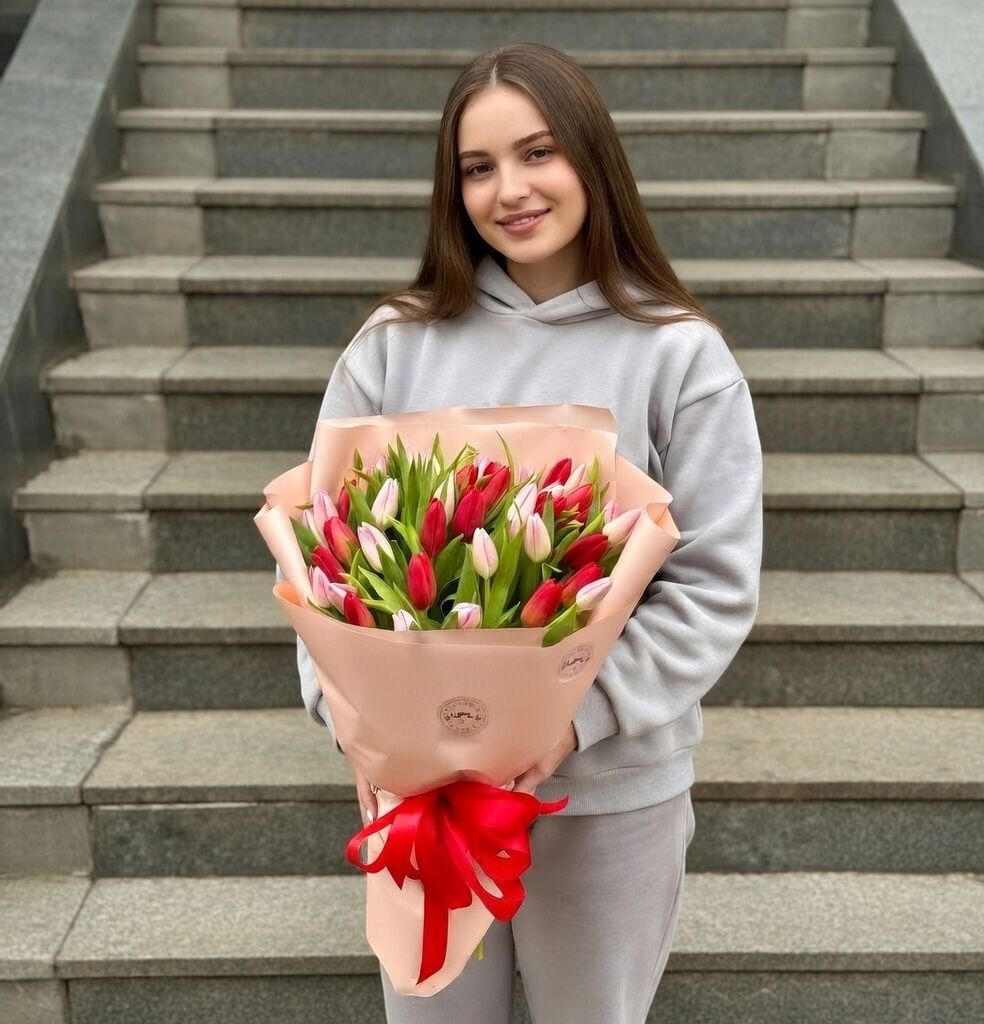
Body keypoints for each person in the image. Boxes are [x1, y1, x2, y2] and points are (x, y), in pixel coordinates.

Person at [289, 42, 763, 1024]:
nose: (510, 189)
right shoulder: (390, 347)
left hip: (606, 798)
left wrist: (567, 720)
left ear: (592, 160)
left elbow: (712, 587)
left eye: (537, 153)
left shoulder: (680, 356)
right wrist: (363, 723)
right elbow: (321, 565)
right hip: (426, 803)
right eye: (477, 166)